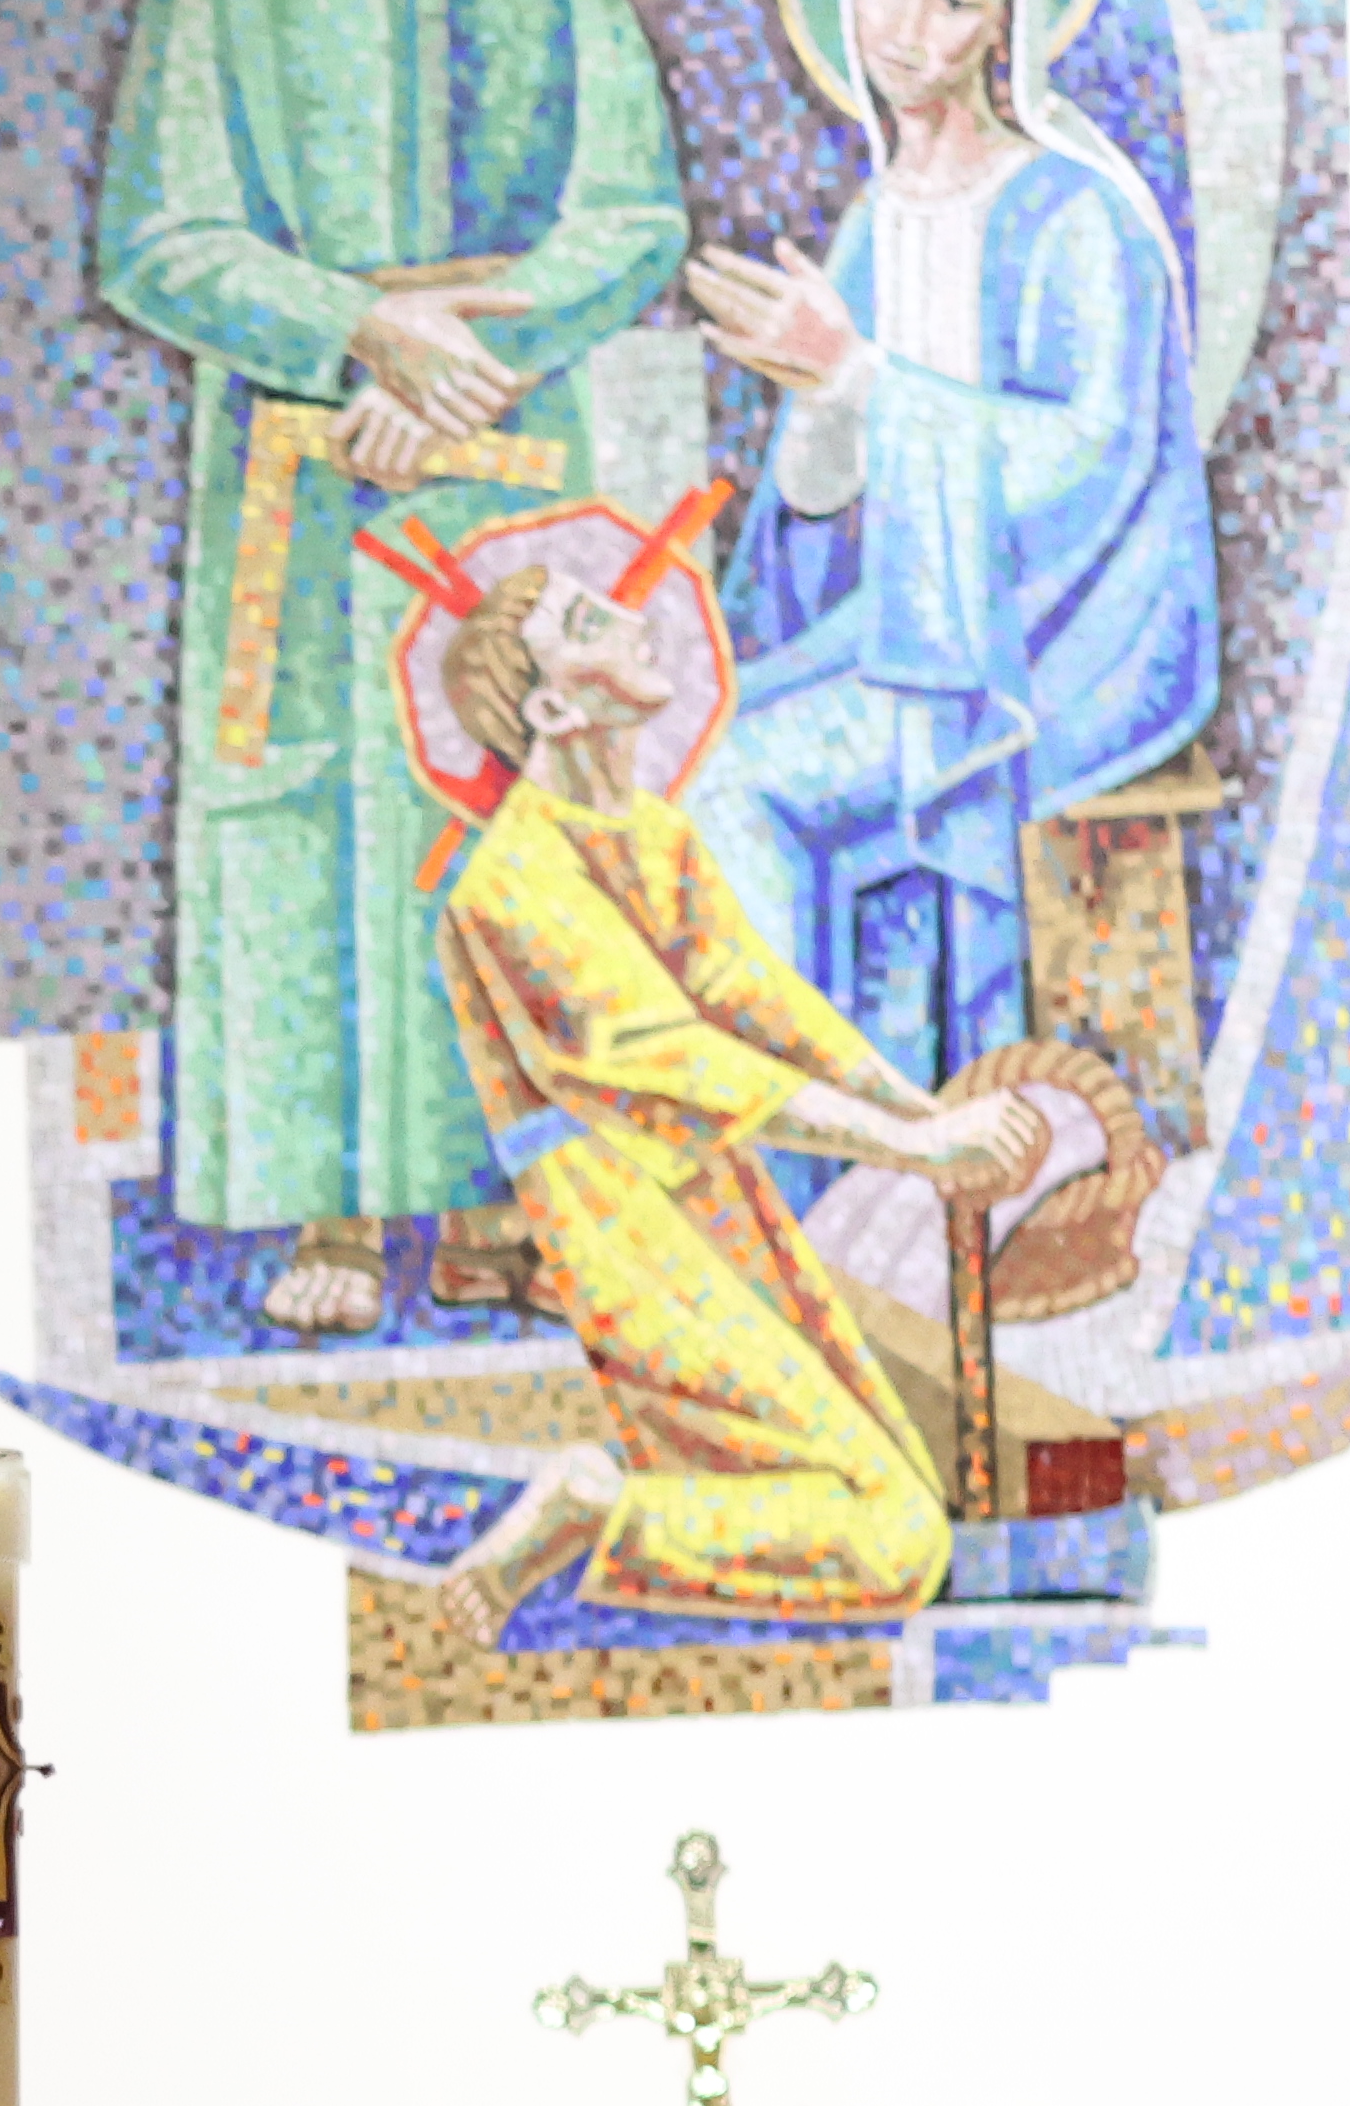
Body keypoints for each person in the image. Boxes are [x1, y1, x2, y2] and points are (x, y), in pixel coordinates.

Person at [90, 0, 688, 1337]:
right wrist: (353, 329)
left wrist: (457, 355)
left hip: (505, 451)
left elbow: (633, 216)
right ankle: (334, 1208)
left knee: (498, 800)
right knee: (308, 822)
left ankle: (503, 1196)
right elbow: (159, 238)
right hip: (294, 473)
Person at [408, 537, 1046, 1640]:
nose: (623, 614)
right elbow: (682, 1059)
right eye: (584, 624)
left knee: (888, 1493)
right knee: (898, 1540)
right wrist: (921, 1153)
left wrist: (922, 1113)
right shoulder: (510, 884)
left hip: (721, 1210)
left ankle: (634, 1501)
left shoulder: (654, 832)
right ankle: (601, 1504)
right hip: (629, 1237)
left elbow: (760, 999)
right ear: (553, 712)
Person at [691, 0, 1218, 1097]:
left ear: (1005, 25)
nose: (909, 28)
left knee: (729, 776)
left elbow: (1094, 460)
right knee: (683, 743)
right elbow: (817, 517)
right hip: (904, 632)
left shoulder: (1074, 213)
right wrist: (826, 404)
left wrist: (861, 379)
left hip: (1056, 635)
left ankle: (813, 1142)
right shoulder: (875, 221)